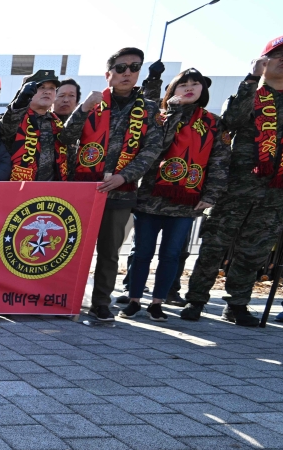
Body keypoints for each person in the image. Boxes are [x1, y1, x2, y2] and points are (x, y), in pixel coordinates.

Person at [181, 35, 283, 327]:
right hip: (236, 186)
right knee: (214, 245)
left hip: (275, 191)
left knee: (253, 249)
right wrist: (251, 78)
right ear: (263, 60)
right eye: (278, 53)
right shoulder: (250, 92)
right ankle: (196, 299)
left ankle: (237, 304)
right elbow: (230, 121)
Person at [60, 47, 165, 324]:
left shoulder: (150, 109)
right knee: (71, 248)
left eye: (133, 67)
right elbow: (66, 137)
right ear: (109, 74)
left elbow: (151, 151)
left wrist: (125, 176)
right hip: (83, 191)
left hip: (121, 192)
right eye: (120, 68)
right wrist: (82, 110)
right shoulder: (93, 102)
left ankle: (101, 303)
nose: (127, 72)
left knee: (109, 252)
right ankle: (63, 298)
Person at [119, 68, 230, 322]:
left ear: (203, 90)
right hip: (151, 197)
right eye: (183, 85)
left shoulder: (214, 122)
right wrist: (173, 112)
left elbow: (220, 162)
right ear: (173, 91)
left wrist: (211, 195)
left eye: (195, 84)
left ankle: (157, 303)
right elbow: (157, 146)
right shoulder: (160, 117)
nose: (189, 88)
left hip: (186, 200)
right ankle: (134, 299)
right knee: (142, 252)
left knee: (171, 254)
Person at [0, 69, 68, 182]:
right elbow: (5, 129)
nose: (48, 92)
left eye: (52, 88)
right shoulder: (15, 117)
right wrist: (20, 102)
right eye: (41, 87)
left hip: (51, 194)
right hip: (18, 190)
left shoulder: (58, 123)